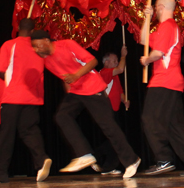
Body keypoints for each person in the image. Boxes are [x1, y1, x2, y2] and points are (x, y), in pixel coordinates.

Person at [31, 30, 140, 179]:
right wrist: (69, 92)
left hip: (92, 87)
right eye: (34, 48)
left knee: (109, 127)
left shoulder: (67, 45)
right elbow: (65, 77)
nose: (36, 50)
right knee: (62, 116)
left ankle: (132, 160)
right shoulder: (47, 61)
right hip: (77, 91)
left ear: (46, 40)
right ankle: (84, 154)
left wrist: (76, 75)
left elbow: (93, 61)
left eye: (38, 46)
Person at [140, 0, 184, 176]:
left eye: (155, 8)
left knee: (150, 119)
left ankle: (164, 159)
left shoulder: (168, 26)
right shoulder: (167, 28)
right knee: (174, 125)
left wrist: (147, 60)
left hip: (164, 80)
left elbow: (158, 53)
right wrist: (146, 18)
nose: (155, 11)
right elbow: (143, 40)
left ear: (161, 7)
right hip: (172, 82)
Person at [0, 18, 51, 183]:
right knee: (30, 131)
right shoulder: (38, 47)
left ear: (18, 28)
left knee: (6, 135)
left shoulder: (9, 45)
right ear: (32, 31)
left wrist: (10, 79)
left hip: (13, 97)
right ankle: (42, 160)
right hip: (33, 98)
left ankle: (0, 174)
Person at [91, 47, 130, 175]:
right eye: (114, 60)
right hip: (106, 111)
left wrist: (124, 100)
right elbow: (120, 69)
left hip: (114, 110)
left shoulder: (114, 76)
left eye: (117, 60)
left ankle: (108, 167)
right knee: (117, 139)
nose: (116, 62)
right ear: (106, 62)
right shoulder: (104, 72)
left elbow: (119, 91)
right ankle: (93, 156)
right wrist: (123, 56)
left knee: (116, 140)